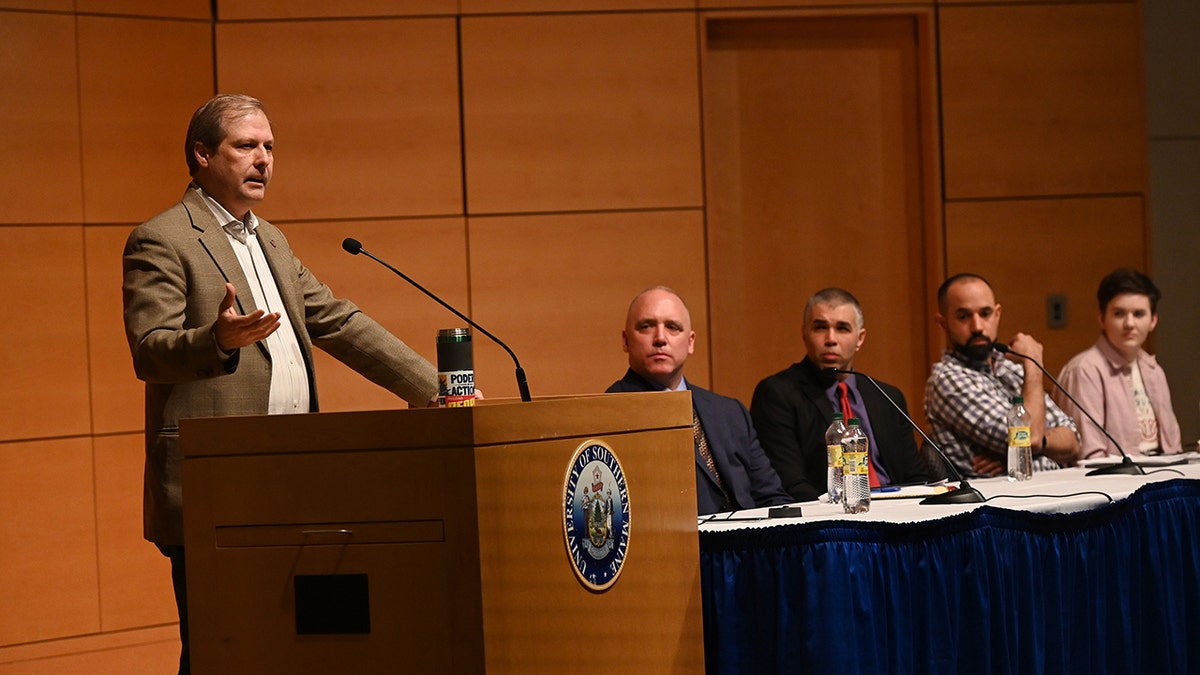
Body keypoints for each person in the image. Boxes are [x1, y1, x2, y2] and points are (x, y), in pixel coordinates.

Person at [122, 94, 439, 674]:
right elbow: (150, 351)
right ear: (202, 154)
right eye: (246, 146)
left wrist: (433, 388)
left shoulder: (270, 240)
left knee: (291, 648)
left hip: (293, 480)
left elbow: (338, 320)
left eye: (269, 147)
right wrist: (215, 339)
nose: (263, 159)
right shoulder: (163, 238)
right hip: (215, 486)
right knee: (220, 653)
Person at [605, 287, 791, 515]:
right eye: (646, 326)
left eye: (672, 327)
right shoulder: (608, 415)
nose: (660, 339)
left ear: (690, 342)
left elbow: (771, 497)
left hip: (749, 545)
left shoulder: (730, 412)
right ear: (626, 340)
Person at [750, 288, 931, 501]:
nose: (830, 339)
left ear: (860, 338)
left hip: (897, 511)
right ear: (804, 333)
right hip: (827, 518)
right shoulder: (777, 393)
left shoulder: (887, 396)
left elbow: (915, 476)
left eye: (842, 328)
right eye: (820, 327)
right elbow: (790, 482)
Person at [924, 273, 1080, 478]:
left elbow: (1073, 442)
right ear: (943, 323)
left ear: (997, 315)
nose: (977, 326)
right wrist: (1033, 363)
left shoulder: (1011, 368)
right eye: (964, 316)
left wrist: (1036, 444)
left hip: (1050, 491)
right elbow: (1031, 435)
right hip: (1001, 503)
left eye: (985, 313)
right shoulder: (947, 380)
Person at [1054, 269, 1181, 458]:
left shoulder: (1154, 370)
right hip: (1114, 482)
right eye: (1119, 314)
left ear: (1153, 321)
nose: (1129, 323)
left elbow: (1173, 446)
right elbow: (1090, 457)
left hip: (1162, 474)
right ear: (1102, 319)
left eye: (1138, 314)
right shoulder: (1085, 370)